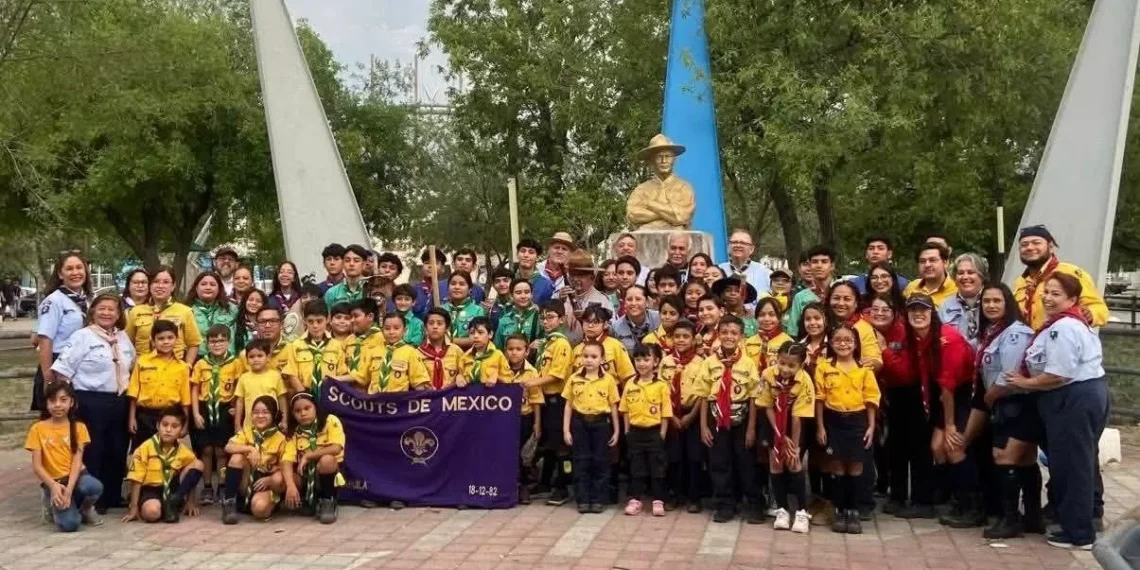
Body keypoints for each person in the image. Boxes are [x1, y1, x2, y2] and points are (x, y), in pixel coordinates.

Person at [1007, 273, 1108, 550]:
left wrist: (1024, 383)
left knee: (1074, 465)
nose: (1048, 298)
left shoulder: (1063, 328)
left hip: (1072, 397)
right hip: (1077, 395)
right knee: (1072, 462)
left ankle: (1079, 533)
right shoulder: (1066, 323)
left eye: (1056, 294)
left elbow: (1058, 374)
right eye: (1047, 292)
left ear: (1072, 300)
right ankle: (1075, 523)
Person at [961, 283, 1041, 539]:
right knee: (1025, 460)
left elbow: (1009, 375)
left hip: (1015, 403)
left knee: (1004, 457)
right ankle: (1032, 517)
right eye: (986, 301)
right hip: (1007, 404)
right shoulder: (993, 332)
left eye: (997, 301)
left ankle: (1010, 519)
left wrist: (990, 395)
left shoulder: (1015, 334)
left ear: (1008, 303)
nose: (991, 306)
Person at [49, 294, 136, 513]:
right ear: (93, 311)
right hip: (90, 400)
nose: (107, 313)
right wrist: (67, 402)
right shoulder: (82, 337)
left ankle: (113, 495)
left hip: (118, 400)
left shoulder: (123, 338)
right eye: (102, 309)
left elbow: (132, 365)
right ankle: (94, 499)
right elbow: (62, 371)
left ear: (119, 315)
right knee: (94, 450)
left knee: (117, 449)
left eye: (112, 310)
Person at [900, 295, 978, 528]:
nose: (917, 314)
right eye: (912, 310)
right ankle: (950, 496)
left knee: (953, 446)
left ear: (932, 313)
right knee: (936, 447)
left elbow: (948, 387)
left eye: (923, 310)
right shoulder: (917, 338)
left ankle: (972, 506)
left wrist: (951, 425)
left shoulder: (948, 339)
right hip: (944, 396)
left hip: (963, 395)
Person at [814, 324, 880, 534]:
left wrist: (870, 426)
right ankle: (840, 510)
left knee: (856, 467)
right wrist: (820, 426)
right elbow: (820, 399)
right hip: (833, 421)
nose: (843, 344)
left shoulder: (864, 369)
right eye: (838, 340)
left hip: (857, 421)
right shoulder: (824, 367)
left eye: (848, 340)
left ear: (855, 344)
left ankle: (853, 511)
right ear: (831, 344)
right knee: (837, 467)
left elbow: (871, 399)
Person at [700, 315, 762, 523]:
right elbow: (703, 395)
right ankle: (725, 503)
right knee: (719, 462)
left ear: (741, 336)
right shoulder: (709, 363)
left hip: (742, 418)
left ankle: (753, 503)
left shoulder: (748, 364)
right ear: (718, 334)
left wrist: (752, 428)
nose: (729, 336)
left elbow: (754, 397)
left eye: (734, 333)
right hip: (715, 418)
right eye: (724, 332)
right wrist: (703, 426)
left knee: (746, 462)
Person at [753, 342, 814, 534]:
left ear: (801, 365)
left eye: (791, 365)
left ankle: (802, 512)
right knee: (776, 463)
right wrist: (779, 434)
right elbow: (767, 405)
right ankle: (782, 510)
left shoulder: (805, 381)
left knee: (793, 462)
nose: (785, 369)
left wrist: (793, 445)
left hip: (795, 423)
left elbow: (798, 416)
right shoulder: (768, 375)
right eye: (782, 363)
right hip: (773, 422)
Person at [26, 381, 103, 532]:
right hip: (54, 480)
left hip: (76, 476)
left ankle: (85, 508)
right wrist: (54, 486)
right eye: (52, 400)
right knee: (70, 525)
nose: (58, 405)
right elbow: (37, 466)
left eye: (63, 400)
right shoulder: (37, 429)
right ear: (46, 403)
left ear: (71, 402)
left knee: (94, 487)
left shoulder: (79, 428)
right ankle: (51, 500)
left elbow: (76, 462)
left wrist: (69, 489)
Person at [561, 340, 621, 514]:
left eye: (594, 357)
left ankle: (597, 499)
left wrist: (616, 431)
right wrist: (566, 430)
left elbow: (614, 407)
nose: (589, 360)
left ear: (602, 359)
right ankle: (583, 499)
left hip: (601, 424)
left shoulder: (608, 380)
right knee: (581, 461)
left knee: (600, 461)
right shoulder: (574, 379)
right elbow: (568, 405)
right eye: (585, 356)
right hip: (580, 424)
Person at [1012, 225, 1109, 331]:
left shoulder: (1070, 272)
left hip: (1059, 341)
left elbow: (1100, 309)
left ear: (1051, 247)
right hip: (1030, 345)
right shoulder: (1020, 282)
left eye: (1036, 243)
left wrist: (1090, 314)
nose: (1029, 247)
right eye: (1024, 244)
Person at [527, 301, 575, 506]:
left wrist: (530, 383)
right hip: (543, 400)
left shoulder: (561, 344)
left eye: (551, 317)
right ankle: (545, 482)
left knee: (562, 448)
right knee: (546, 445)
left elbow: (557, 374)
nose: (546, 321)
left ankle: (563, 486)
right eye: (543, 317)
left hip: (557, 400)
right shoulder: (545, 343)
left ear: (562, 319)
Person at [190, 325, 243, 507]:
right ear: (207, 343)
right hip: (205, 408)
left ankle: (221, 483)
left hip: (224, 408)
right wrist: (196, 413)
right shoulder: (201, 364)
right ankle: (206, 486)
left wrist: (235, 407)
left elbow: (238, 387)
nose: (217, 344)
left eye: (221, 340)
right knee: (206, 449)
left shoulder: (235, 363)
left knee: (221, 450)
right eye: (213, 341)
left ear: (228, 342)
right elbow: (195, 389)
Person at [122, 407, 203, 524]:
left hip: (172, 489)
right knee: (152, 513)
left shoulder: (182, 450)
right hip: (151, 489)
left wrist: (190, 502)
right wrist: (133, 509)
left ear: (181, 430)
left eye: (174, 426)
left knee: (198, 464)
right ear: (157, 425)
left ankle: (174, 501)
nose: (168, 430)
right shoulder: (145, 448)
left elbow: (192, 477)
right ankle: (160, 507)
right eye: (165, 425)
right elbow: (136, 479)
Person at [33, 252, 92, 411]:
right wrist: (48, 378)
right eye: (69, 269)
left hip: (81, 365)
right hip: (58, 364)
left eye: (79, 268)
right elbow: (45, 339)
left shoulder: (87, 300)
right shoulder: (54, 301)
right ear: (60, 274)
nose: (75, 272)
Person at [658, 319, 706, 512]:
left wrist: (691, 415)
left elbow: (703, 393)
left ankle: (694, 497)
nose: (681, 340)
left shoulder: (701, 363)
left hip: (692, 413)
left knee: (694, 457)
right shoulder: (666, 362)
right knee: (673, 457)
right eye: (677, 336)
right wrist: (671, 417)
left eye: (686, 336)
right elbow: (661, 391)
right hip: (671, 414)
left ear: (694, 340)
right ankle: (674, 494)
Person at [621, 343, 672, 517]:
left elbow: (666, 413)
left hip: (654, 432)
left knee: (657, 467)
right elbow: (625, 410)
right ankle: (635, 500)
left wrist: (662, 433)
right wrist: (627, 431)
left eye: (646, 359)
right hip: (635, 432)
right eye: (638, 359)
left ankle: (658, 500)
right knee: (636, 467)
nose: (642, 363)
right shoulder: (630, 384)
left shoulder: (661, 386)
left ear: (656, 361)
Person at [222, 396, 289, 523]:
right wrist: (250, 449)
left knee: (260, 510)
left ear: (274, 414)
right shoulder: (247, 432)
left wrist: (270, 480)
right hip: (246, 479)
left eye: (265, 412)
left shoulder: (280, 438)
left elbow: (285, 467)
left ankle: (268, 504)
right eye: (256, 412)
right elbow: (228, 447)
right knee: (236, 458)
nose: (260, 416)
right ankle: (229, 502)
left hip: (264, 482)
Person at [127, 320, 191, 448]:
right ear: (153, 340)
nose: (166, 342)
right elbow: (133, 393)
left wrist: (186, 424)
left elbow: (185, 400)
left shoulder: (182, 367)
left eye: (170, 338)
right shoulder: (142, 362)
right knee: (142, 452)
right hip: (145, 416)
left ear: (176, 339)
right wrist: (132, 418)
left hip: (170, 418)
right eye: (161, 338)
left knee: (168, 453)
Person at [282, 392, 345, 524]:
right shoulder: (294, 432)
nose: (303, 413)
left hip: (327, 473)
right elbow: (287, 460)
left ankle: (328, 501)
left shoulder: (330, 421)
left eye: (307, 408)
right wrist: (290, 485)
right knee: (287, 475)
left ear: (315, 407)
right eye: (297, 411)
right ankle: (307, 499)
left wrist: (309, 455)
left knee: (326, 459)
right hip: (305, 475)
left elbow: (336, 448)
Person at [126, 266, 201, 364]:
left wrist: (187, 366)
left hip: (174, 370)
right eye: (156, 281)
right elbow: (127, 344)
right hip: (144, 370)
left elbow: (194, 343)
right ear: (150, 285)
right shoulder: (135, 312)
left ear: (173, 286)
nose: (160, 286)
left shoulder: (185, 311)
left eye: (166, 282)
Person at [502, 334, 545, 504]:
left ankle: (524, 486)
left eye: (519, 349)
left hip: (524, 417)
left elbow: (536, 400)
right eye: (510, 349)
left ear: (527, 352)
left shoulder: (532, 372)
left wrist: (537, 423)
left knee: (523, 455)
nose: (514, 353)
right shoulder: (500, 368)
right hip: (504, 418)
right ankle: (508, 486)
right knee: (508, 452)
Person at [348, 313, 431, 394]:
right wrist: (335, 380)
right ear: (382, 330)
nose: (391, 332)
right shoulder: (373, 351)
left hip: (397, 404)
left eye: (396, 328)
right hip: (374, 403)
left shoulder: (410, 352)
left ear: (404, 331)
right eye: (387, 328)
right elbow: (361, 378)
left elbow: (418, 383)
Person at [282, 300, 347, 398]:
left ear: (328, 319)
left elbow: (341, 374)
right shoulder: (296, 345)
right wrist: (305, 396)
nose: (315, 326)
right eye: (310, 321)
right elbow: (292, 374)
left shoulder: (336, 346)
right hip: (305, 396)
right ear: (304, 321)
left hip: (330, 396)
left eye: (319, 321)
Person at [556, 250, 614, 342]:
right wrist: (558, 302)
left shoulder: (602, 300)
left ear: (591, 277)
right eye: (572, 275)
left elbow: (611, 329)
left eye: (580, 276)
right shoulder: (560, 295)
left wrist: (588, 318)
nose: (575, 279)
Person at [233, 338, 288, 432]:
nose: (256, 359)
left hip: (272, 426)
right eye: (251, 357)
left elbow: (282, 399)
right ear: (246, 359)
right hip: (250, 427)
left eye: (260, 356)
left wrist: (284, 420)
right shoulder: (244, 378)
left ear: (268, 358)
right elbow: (240, 402)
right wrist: (237, 425)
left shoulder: (275, 376)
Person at [572, 305, 635, 384]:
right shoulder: (577, 349)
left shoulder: (615, 346)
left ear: (605, 324)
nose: (590, 326)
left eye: (595, 322)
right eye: (587, 321)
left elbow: (628, 377)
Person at [783, 245, 837, 337]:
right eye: (815, 262)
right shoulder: (800, 297)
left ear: (832, 266)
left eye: (824, 262)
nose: (819, 265)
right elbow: (793, 332)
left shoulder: (841, 292)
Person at [939, 253, 989, 347]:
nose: (965, 277)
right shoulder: (945, 306)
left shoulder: (993, 302)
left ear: (981, 276)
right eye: (960, 273)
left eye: (971, 272)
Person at [187, 271, 239, 358]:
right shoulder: (187, 310)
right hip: (197, 360)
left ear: (219, 289)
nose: (208, 287)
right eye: (203, 284)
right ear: (196, 288)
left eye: (212, 284)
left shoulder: (231, 309)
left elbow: (241, 335)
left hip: (228, 361)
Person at [418, 308, 463, 389]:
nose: (435, 327)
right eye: (431, 323)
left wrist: (460, 376)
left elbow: (465, 372)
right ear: (425, 328)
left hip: (449, 399)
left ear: (447, 328)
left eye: (439, 323)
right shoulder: (417, 354)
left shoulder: (456, 351)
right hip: (427, 399)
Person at [745, 297, 794, 373]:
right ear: (756, 317)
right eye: (762, 315)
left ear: (779, 317)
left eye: (772, 315)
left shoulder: (789, 343)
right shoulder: (748, 342)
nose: (766, 319)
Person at [457, 317, 509, 387]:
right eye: (472, 333)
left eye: (480, 332)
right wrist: (459, 377)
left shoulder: (498, 355)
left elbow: (509, 380)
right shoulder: (465, 357)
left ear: (490, 334)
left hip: (491, 396)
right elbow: (460, 375)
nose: (475, 336)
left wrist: (497, 377)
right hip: (471, 396)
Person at [903, 242, 958, 308]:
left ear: (945, 263)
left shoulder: (957, 289)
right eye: (922, 261)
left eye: (932, 260)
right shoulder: (911, 287)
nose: (927, 265)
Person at [494, 278, 542, 349]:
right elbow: (498, 349)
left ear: (532, 294)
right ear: (511, 295)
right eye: (518, 293)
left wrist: (541, 343)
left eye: (527, 292)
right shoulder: (504, 320)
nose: (523, 296)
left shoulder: (540, 317)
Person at [610, 285, 661, 353]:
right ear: (624, 303)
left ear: (647, 302)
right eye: (629, 299)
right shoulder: (615, 327)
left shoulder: (659, 318)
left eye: (638, 299)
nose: (633, 303)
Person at [445, 271, 487, 351]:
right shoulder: (441, 310)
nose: (457, 287)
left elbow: (478, 339)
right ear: (448, 287)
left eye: (462, 284)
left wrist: (449, 341)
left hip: (469, 356)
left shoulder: (477, 311)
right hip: (445, 357)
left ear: (469, 289)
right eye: (453, 284)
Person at [324, 244, 369, 310]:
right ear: (343, 263)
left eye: (356, 261)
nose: (351, 264)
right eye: (347, 260)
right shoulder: (332, 292)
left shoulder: (372, 289)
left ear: (364, 264)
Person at [514, 238, 556, 305]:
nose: (526, 255)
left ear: (538, 257)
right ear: (517, 254)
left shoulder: (547, 285)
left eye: (531, 252)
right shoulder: (508, 282)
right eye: (523, 251)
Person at [412, 249, 450, 319]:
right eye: (427, 263)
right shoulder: (413, 290)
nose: (430, 266)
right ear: (422, 267)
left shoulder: (449, 288)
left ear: (443, 269)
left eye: (436, 263)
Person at [485, 267, 515, 331]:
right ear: (493, 285)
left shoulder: (520, 304)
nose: (501, 284)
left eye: (506, 280)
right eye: (497, 281)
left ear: (513, 282)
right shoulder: (490, 308)